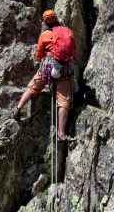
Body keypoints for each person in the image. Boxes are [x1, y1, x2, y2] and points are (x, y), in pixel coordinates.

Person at [15, 9, 76, 140]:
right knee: (64, 101)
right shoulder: (68, 32)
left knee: (33, 87)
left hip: (48, 67)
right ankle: (61, 134)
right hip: (63, 69)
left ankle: (19, 108)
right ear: (56, 19)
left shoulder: (44, 35)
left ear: (45, 22)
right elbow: (73, 52)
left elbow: (38, 55)